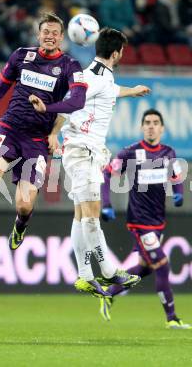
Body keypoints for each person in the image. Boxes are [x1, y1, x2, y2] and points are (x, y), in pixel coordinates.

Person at [0, 12, 93, 269]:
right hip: (9, 128)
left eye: (55, 32)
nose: (50, 36)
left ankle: (20, 226)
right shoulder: (22, 55)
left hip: (37, 140)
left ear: (62, 37)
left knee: (24, 204)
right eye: (46, 32)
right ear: (38, 34)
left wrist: (47, 109)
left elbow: (78, 101)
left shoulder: (70, 66)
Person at [30, 27, 150, 299]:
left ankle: (84, 275)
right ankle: (108, 270)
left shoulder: (99, 76)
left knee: (81, 214)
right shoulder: (94, 78)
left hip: (84, 151)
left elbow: (106, 91)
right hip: (84, 150)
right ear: (117, 53)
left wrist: (131, 91)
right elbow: (70, 102)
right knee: (92, 213)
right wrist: (52, 133)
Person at [100, 109, 191, 329]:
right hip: (139, 221)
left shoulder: (168, 153)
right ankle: (172, 318)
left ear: (162, 128)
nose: (151, 126)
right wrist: (106, 204)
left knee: (145, 266)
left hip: (158, 221)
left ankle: (109, 293)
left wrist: (178, 192)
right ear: (142, 127)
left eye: (155, 122)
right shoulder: (130, 152)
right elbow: (106, 174)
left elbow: (176, 177)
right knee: (161, 264)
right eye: (147, 122)